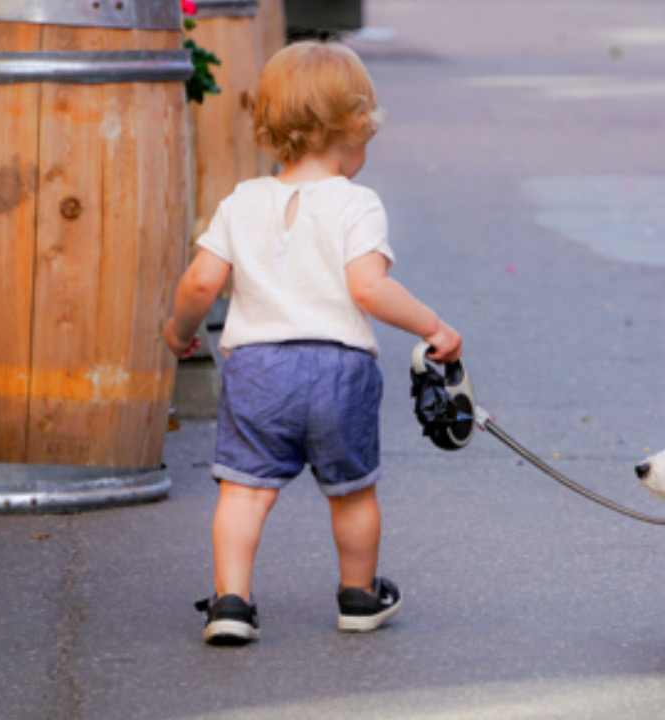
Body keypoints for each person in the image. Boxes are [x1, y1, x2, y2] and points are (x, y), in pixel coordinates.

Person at [164, 41, 462, 646]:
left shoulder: (242, 201)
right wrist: (434, 327)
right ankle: (358, 595)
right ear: (353, 129)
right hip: (339, 370)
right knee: (351, 492)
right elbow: (369, 288)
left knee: (245, 492)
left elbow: (200, 280)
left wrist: (179, 331)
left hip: (257, 370)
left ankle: (231, 602)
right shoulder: (357, 204)